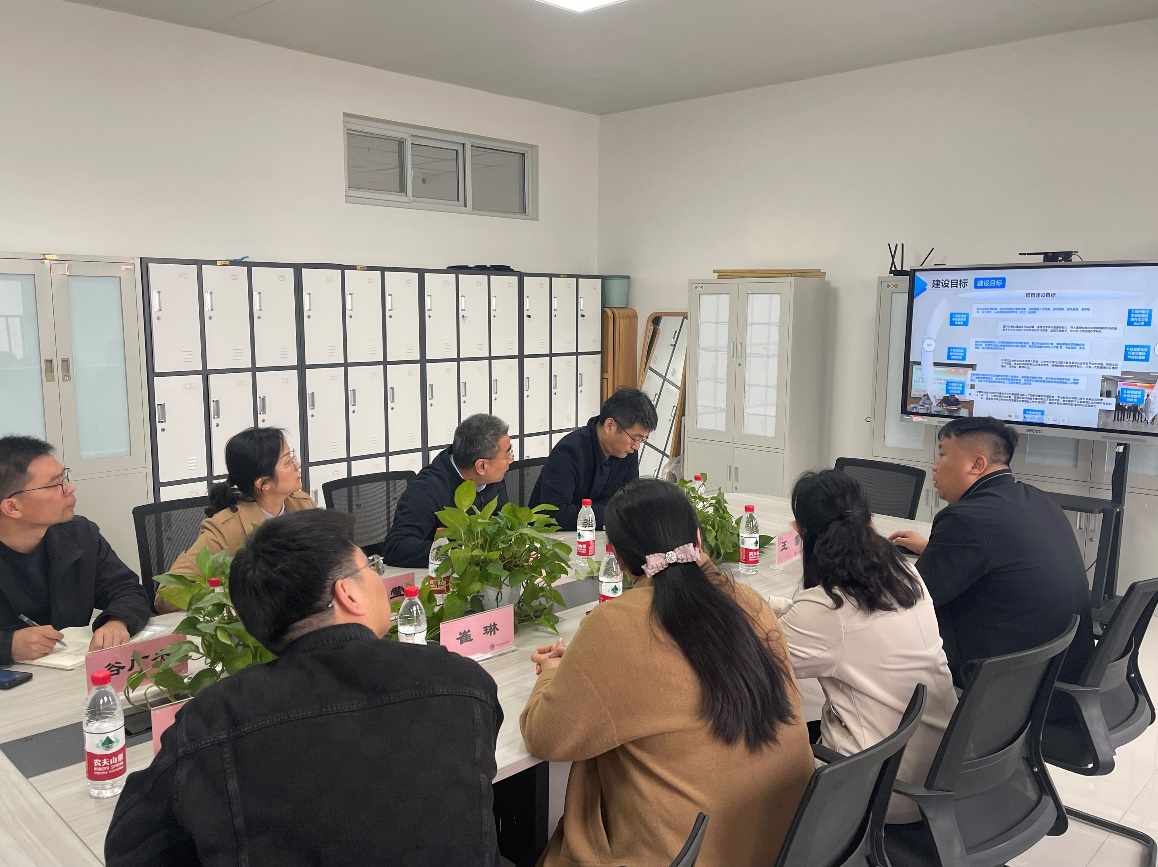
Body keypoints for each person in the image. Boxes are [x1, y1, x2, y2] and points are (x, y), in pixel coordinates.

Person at [105, 509, 503, 867]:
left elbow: (130, 848)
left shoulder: (213, 719)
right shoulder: (461, 683)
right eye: (370, 569)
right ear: (347, 593)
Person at [520, 479, 813, 866]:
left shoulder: (615, 624)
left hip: (687, 853)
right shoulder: (748, 601)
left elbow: (546, 737)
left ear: (617, 558)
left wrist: (552, 672)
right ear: (698, 537)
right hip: (788, 841)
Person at [769, 469, 958, 822]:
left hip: (878, 791)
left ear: (800, 532)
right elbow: (830, 625)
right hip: (939, 771)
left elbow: (752, 661)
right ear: (869, 521)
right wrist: (774, 605)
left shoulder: (827, 609)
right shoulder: (906, 573)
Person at [889, 416, 1095, 686]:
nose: (935, 466)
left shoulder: (966, 518)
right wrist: (934, 548)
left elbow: (910, 599)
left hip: (1004, 682)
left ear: (976, 464)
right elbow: (1003, 556)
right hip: (1062, 668)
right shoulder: (1036, 498)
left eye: (942, 455)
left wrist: (864, 558)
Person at [0, 435, 151, 664]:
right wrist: (7, 646)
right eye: (55, 484)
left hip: (72, 672)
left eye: (65, 478)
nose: (70, 488)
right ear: (12, 507)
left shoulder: (80, 535)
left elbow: (127, 589)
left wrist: (117, 621)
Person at [157, 427, 314, 612]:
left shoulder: (302, 504)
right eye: (288, 462)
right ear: (263, 483)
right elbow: (166, 595)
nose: (298, 465)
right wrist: (234, 594)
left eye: (292, 458)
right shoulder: (224, 529)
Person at [383, 413, 513, 568]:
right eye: (507, 455)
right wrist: (460, 551)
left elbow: (502, 524)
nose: (510, 460)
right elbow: (395, 547)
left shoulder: (491, 479)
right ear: (482, 466)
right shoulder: (426, 489)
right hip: (439, 576)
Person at [530, 387, 657, 530]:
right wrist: (614, 514)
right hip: (555, 537)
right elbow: (555, 514)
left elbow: (631, 502)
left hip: (601, 533)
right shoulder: (569, 452)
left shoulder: (627, 451)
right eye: (635, 438)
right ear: (610, 426)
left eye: (642, 440)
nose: (637, 446)